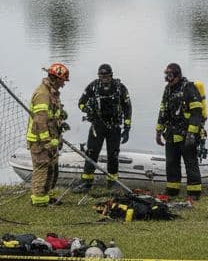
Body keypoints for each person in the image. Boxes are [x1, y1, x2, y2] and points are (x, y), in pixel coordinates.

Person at [72, 63, 132, 192]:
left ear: (111, 75)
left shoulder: (120, 88)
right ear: (98, 76)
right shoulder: (93, 86)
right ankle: (86, 182)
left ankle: (112, 182)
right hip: (97, 126)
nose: (104, 77)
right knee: (91, 153)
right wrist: (88, 108)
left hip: (114, 126)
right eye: (102, 75)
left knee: (113, 155)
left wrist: (127, 128)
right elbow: (81, 103)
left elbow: (127, 107)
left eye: (107, 75)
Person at [155, 62, 205, 201]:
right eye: (166, 75)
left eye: (170, 75)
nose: (167, 79)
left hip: (186, 134)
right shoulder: (168, 90)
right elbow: (163, 111)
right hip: (171, 134)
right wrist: (158, 132)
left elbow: (197, 112)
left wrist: (191, 133)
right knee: (171, 163)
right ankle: (172, 190)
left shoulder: (188, 88)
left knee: (190, 163)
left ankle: (194, 193)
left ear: (177, 75)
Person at [26, 63, 70, 207]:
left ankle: (47, 196)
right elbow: (40, 121)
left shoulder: (51, 92)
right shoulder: (43, 94)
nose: (64, 84)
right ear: (56, 78)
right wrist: (47, 142)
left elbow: (52, 114)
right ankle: (39, 201)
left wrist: (61, 117)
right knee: (42, 169)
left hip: (51, 139)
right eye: (63, 80)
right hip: (41, 141)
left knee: (52, 169)